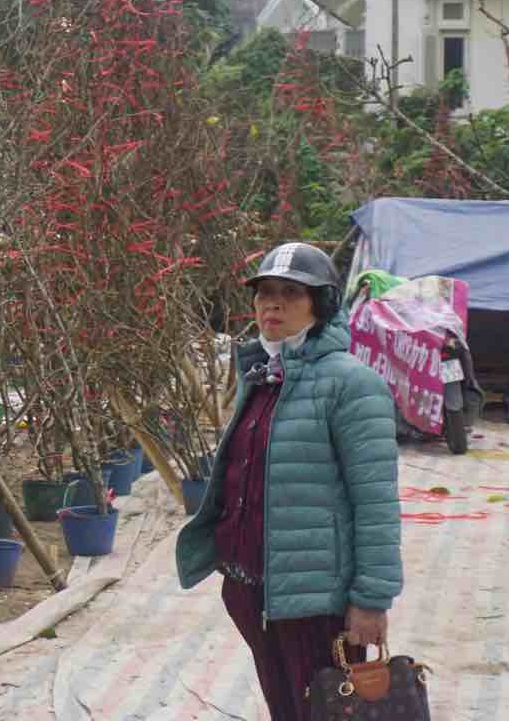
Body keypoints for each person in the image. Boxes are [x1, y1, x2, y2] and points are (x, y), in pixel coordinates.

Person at [175, 241, 402, 721]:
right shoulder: (264, 374)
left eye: (290, 293)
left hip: (316, 601)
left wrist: (371, 601)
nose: (272, 304)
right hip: (254, 587)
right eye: (264, 293)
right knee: (285, 705)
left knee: (324, 708)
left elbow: (376, 503)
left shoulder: (351, 385)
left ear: (320, 305)